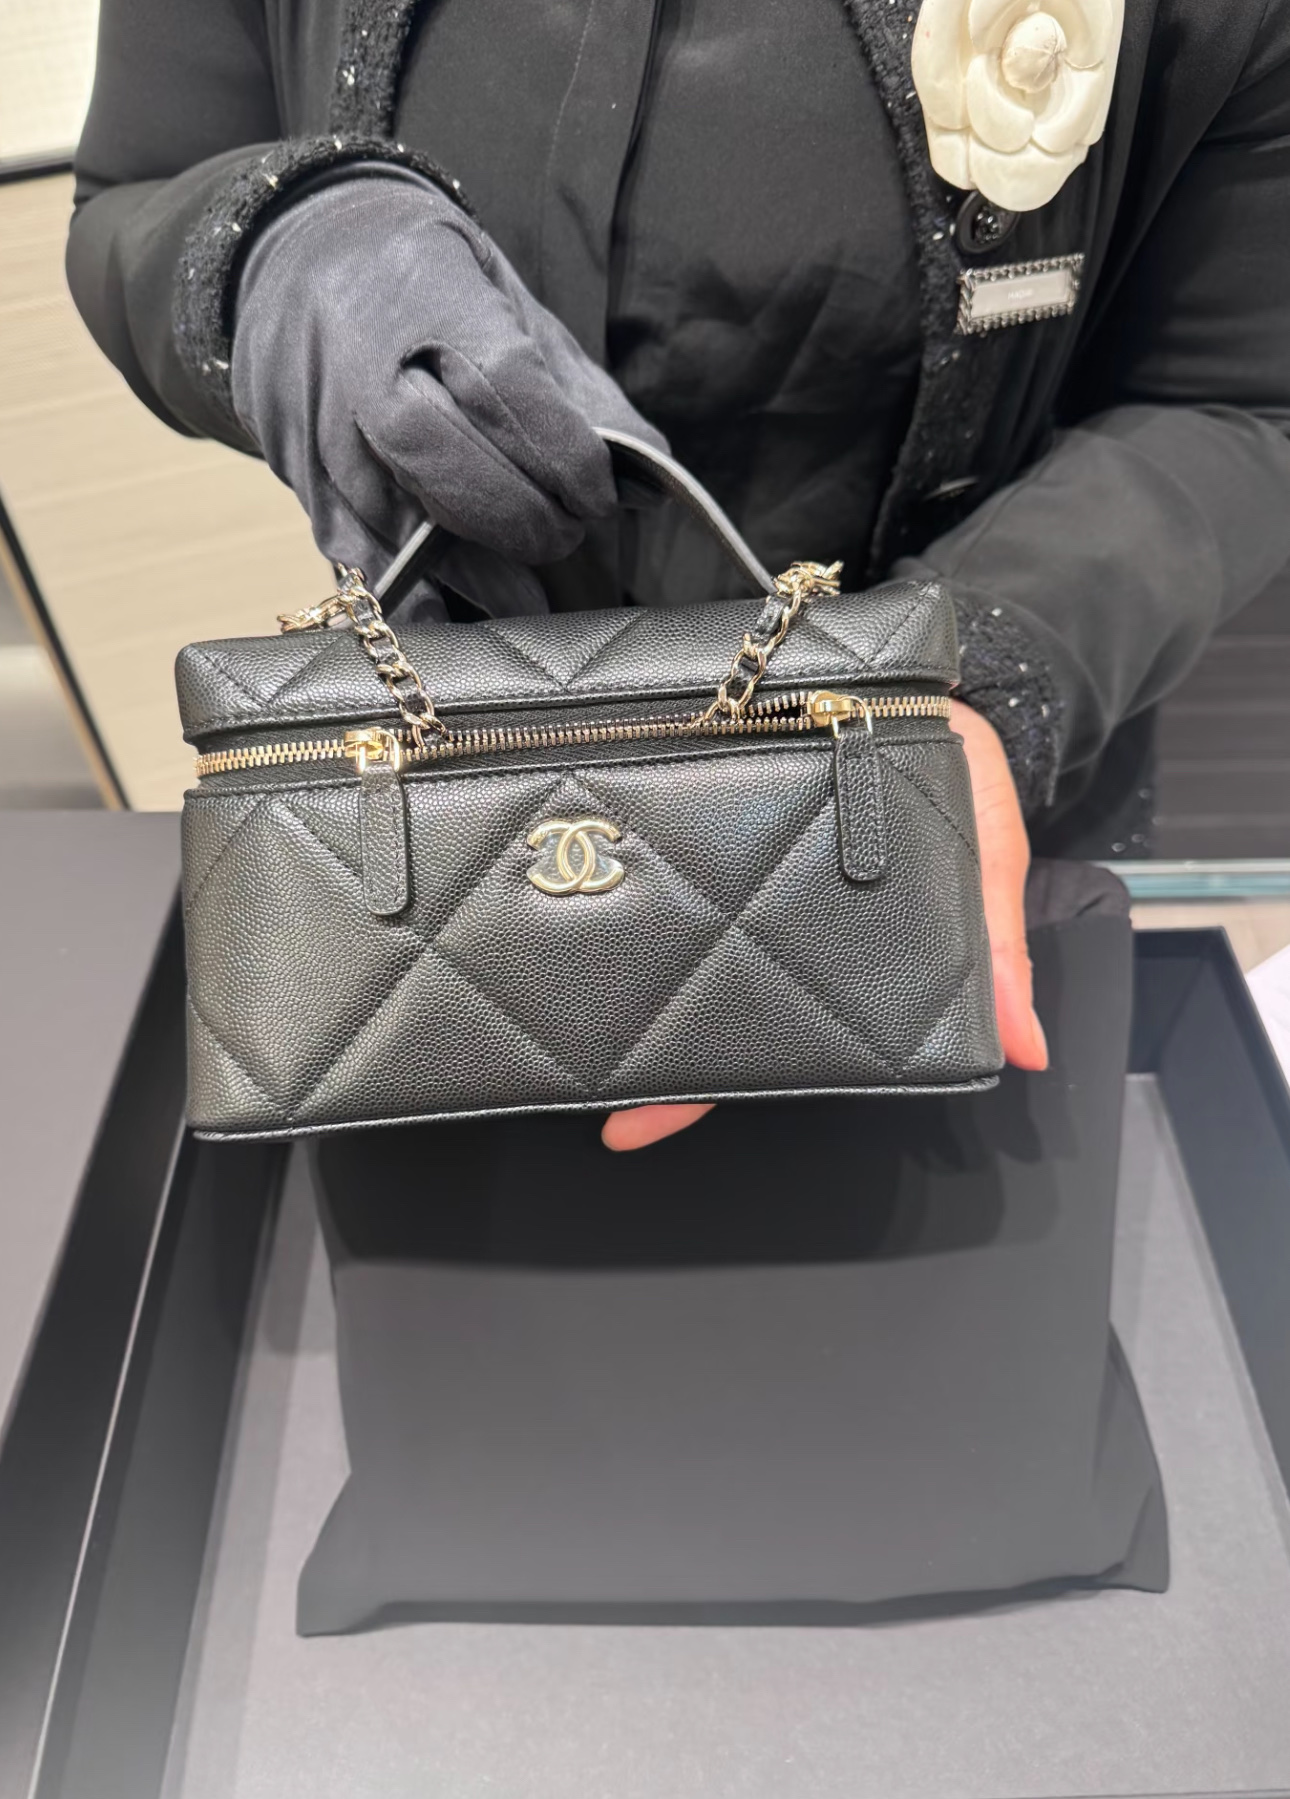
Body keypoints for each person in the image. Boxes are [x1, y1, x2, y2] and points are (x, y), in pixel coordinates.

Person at [68, 0, 1290, 1151]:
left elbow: (1240, 393)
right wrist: (278, 245)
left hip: (922, 838)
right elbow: (139, 186)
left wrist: (973, 670)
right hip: (422, 875)